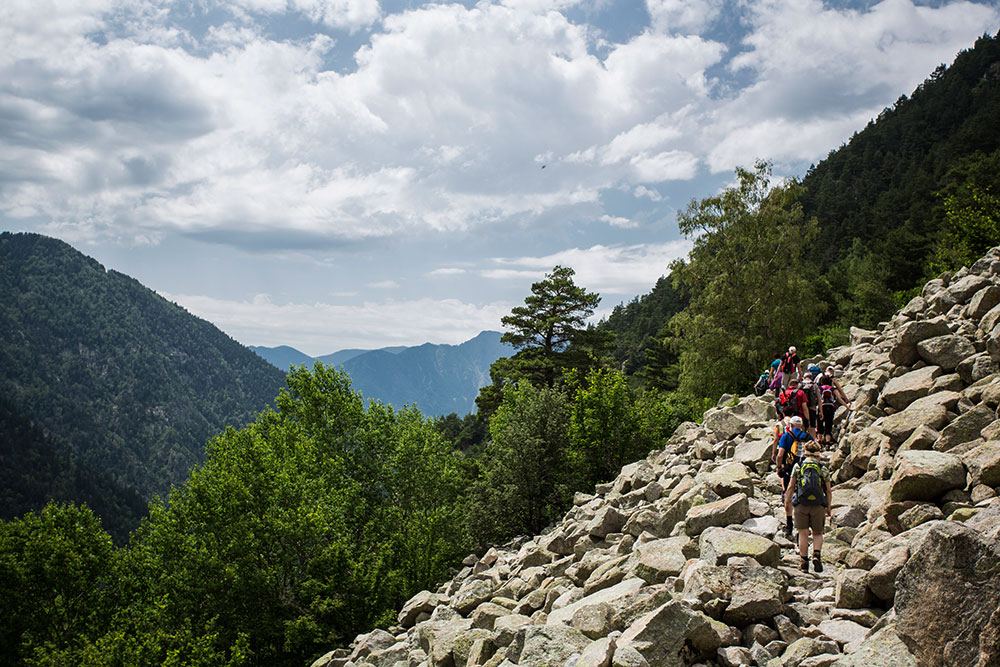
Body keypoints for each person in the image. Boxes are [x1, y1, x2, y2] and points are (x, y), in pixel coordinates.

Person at [785, 440, 832, 573]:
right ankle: (816, 554)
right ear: (818, 454)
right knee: (817, 533)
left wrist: (787, 502)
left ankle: (804, 562)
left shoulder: (798, 466)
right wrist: (828, 506)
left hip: (801, 504)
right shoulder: (822, 468)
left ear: (805, 453)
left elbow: (791, 486)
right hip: (818, 505)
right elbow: (828, 490)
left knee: (803, 533)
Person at [776, 415, 813, 540]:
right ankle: (804, 525)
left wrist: (779, 466)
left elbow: (780, 454)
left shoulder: (786, 436)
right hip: (806, 470)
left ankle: (789, 524)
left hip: (790, 469)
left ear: (790, 426)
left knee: (788, 495)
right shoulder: (808, 436)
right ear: (801, 425)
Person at [818, 373, 850, 448]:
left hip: (821, 407)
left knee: (820, 424)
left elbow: (818, 398)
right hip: (830, 407)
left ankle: (819, 441)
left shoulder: (819, 388)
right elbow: (839, 399)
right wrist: (847, 407)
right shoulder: (833, 389)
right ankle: (827, 443)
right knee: (828, 425)